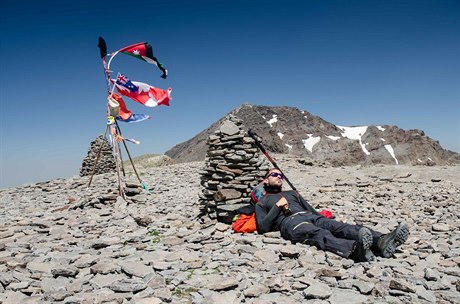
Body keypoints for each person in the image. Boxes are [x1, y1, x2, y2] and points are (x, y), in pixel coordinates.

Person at [255, 168, 410, 262]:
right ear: (265, 181)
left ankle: (381, 241)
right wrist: (277, 207)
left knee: (339, 226)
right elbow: (263, 227)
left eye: (281, 176)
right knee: (317, 233)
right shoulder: (262, 202)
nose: (279, 177)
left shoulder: (292, 193)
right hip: (291, 222)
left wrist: (324, 218)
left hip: (311, 216)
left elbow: (311, 209)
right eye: (274, 174)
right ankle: (355, 250)